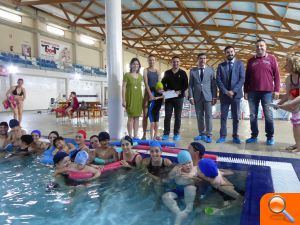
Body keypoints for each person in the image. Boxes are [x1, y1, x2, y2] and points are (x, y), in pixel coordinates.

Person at [244, 39, 280, 145]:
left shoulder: (272, 59)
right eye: (257, 46)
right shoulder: (251, 61)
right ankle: (254, 136)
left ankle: (270, 137)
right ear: (255, 48)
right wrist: (246, 91)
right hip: (252, 92)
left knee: (268, 115)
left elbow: (277, 75)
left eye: (261, 46)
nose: (259, 48)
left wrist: (277, 90)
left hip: (267, 92)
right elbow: (247, 78)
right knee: (253, 115)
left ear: (266, 47)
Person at [216, 46, 245, 144]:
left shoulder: (240, 64)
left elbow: (242, 79)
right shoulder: (221, 66)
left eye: (231, 51)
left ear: (234, 52)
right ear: (225, 54)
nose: (230, 53)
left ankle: (235, 136)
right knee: (223, 117)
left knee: (235, 116)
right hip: (224, 95)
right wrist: (225, 91)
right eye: (228, 52)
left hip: (236, 95)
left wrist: (234, 91)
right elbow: (218, 80)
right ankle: (222, 136)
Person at [162, 150, 198, 225]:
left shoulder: (195, 169)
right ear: (180, 165)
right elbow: (165, 181)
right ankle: (179, 213)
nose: (188, 165)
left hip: (190, 193)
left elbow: (201, 181)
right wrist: (174, 175)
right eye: (184, 164)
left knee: (190, 188)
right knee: (165, 197)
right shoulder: (176, 170)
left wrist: (193, 177)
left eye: (189, 162)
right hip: (178, 191)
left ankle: (187, 210)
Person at [189, 53, 217, 143]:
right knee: (199, 116)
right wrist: (191, 97)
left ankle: (209, 134)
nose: (202, 60)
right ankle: (201, 134)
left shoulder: (210, 70)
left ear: (206, 60)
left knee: (208, 116)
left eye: (204, 58)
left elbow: (213, 85)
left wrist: (214, 96)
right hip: (197, 97)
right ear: (198, 59)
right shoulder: (193, 71)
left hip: (208, 97)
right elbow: (190, 85)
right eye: (201, 58)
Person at [161, 56, 188, 141]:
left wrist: (180, 91)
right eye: (174, 62)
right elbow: (162, 83)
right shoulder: (167, 73)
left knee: (178, 116)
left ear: (179, 62)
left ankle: (176, 133)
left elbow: (186, 85)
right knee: (167, 116)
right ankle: (166, 133)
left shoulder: (183, 73)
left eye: (177, 61)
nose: (175, 63)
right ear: (171, 62)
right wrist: (166, 90)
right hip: (169, 98)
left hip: (179, 98)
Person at [278, 56, 300, 154]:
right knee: (296, 125)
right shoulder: (288, 78)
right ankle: (297, 144)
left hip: (297, 104)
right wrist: (279, 103)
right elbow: (288, 95)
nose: (285, 67)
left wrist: (290, 103)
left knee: (298, 125)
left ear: (293, 65)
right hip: (296, 105)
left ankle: (299, 147)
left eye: (287, 64)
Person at [122, 58, 143, 138]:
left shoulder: (140, 76)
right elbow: (123, 87)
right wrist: (124, 100)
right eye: (134, 64)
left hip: (138, 99)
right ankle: (130, 135)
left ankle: (135, 135)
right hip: (130, 98)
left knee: (137, 118)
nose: (135, 65)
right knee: (130, 118)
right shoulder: (127, 75)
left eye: (137, 64)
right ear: (131, 65)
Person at [142, 55, 160, 140]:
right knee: (145, 115)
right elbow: (146, 83)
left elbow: (159, 85)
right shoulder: (145, 70)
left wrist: (161, 96)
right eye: (150, 60)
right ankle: (144, 134)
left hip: (155, 95)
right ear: (148, 61)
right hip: (147, 94)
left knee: (156, 115)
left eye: (153, 60)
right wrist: (150, 95)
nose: (151, 61)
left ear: (155, 61)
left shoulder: (157, 71)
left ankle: (155, 135)